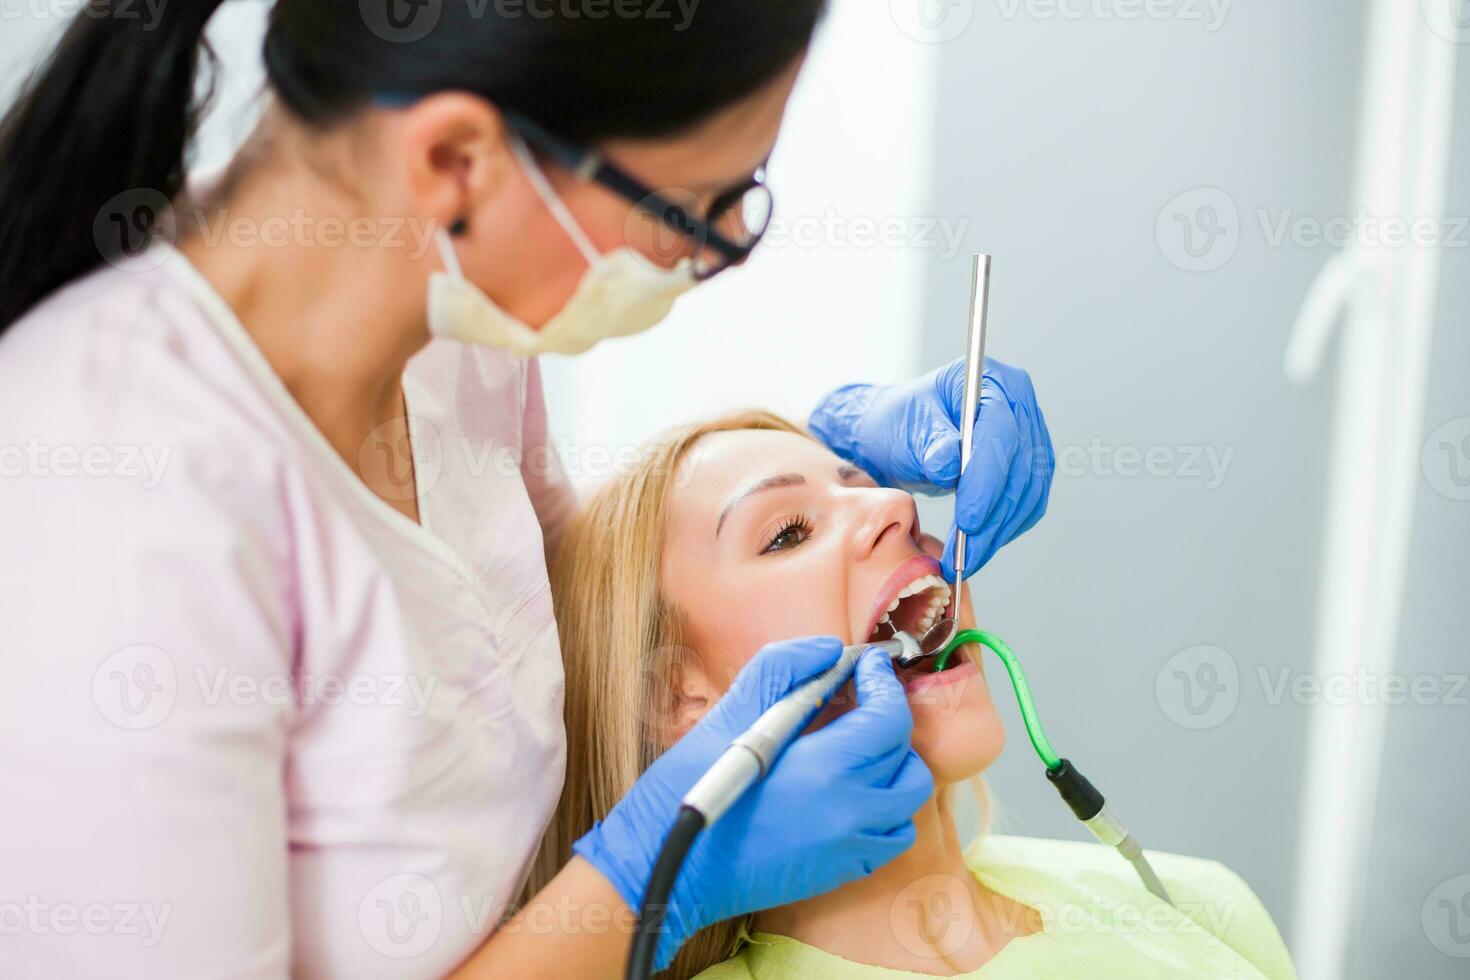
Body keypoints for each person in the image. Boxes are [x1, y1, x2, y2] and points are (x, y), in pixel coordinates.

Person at [0, 2, 1054, 978]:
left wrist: (820, 462)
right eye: (692, 209)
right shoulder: (118, 495)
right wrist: (662, 877)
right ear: (456, 161)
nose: (715, 255)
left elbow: (562, 589)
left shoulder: (457, 333)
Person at [542, 411, 1300, 979]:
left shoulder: (1202, 904)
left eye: (867, 486)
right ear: (679, 699)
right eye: (788, 532)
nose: (897, 508)